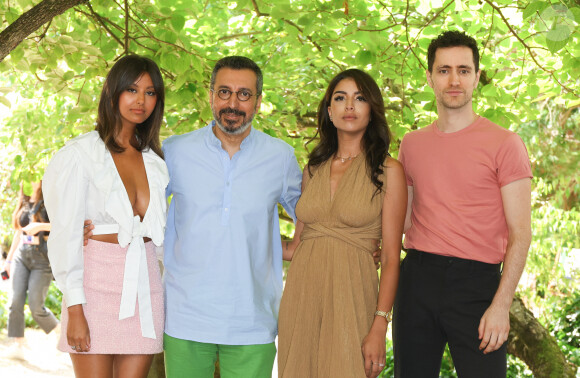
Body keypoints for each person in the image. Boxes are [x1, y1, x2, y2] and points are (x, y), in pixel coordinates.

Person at [393, 31, 532, 377]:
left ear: (476, 76)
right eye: (443, 70)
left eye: (463, 70)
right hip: (417, 280)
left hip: (477, 286)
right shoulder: (411, 144)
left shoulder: (505, 144)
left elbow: (521, 234)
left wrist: (501, 305)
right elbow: (402, 223)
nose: (454, 80)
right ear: (429, 77)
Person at [161, 56, 302, 377]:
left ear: (258, 101)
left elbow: (312, 214)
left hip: (252, 319)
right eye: (224, 92)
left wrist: (291, 247)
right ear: (210, 95)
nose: (233, 103)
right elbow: (140, 211)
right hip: (186, 317)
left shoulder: (280, 156)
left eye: (244, 94)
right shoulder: (176, 151)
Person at [42, 54, 168, 378]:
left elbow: (161, 231)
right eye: (132, 90)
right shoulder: (80, 154)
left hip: (146, 287)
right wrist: (74, 308)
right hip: (93, 287)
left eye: (150, 92)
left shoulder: (156, 161)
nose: (141, 100)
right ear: (113, 92)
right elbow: (66, 233)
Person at [277, 69, 407, 378]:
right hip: (301, 295)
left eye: (359, 98)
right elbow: (296, 246)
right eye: (340, 98)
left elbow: (390, 258)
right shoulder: (313, 169)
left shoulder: (389, 171)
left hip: (353, 295)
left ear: (371, 109)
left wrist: (380, 324)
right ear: (329, 111)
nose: (350, 106)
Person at [3, 182, 59, 359]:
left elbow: (64, 225)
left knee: (36, 307)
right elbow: (19, 233)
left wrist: (40, 227)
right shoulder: (24, 202)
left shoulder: (50, 200)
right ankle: (18, 344)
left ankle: (60, 331)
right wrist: (9, 260)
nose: (30, 179)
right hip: (22, 256)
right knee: (15, 301)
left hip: (42, 260)